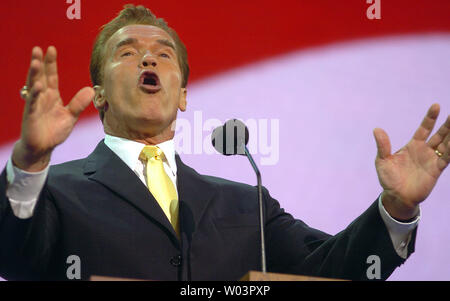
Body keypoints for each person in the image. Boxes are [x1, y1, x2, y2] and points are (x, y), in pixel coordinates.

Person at [0, 4, 448, 281]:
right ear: (98, 93)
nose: (149, 56)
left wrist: (396, 209)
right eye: (128, 53)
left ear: (183, 96)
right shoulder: (54, 191)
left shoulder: (245, 204)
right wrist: (31, 160)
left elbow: (334, 272)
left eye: (163, 53)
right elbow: (14, 257)